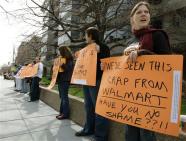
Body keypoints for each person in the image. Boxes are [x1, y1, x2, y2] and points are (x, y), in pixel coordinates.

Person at [123, 1, 171, 141]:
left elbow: (168, 65)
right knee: (130, 134)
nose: (143, 14)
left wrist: (144, 54)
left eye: (146, 12)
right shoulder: (131, 40)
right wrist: (108, 70)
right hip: (130, 96)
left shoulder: (157, 35)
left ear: (149, 16)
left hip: (149, 98)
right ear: (132, 18)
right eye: (139, 12)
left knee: (146, 135)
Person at [75, 27, 110, 141]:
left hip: (97, 81)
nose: (84, 37)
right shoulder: (86, 49)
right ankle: (88, 129)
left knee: (98, 108)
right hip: (86, 81)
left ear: (90, 35)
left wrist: (100, 52)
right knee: (88, 106)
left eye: (85, 35)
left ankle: (100, 136)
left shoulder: (103, 47)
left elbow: (107, 64)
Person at [55, 46, 74, 120]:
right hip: (61, 80)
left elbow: (68, 69)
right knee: (61, 96)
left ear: (63, 51)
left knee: (64, 97)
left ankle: (65, 114)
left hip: (65, 80)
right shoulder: (60, 59)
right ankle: (62, 112)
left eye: (59, 51)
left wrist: (61, 65)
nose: (58, 52)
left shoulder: (69, 59)